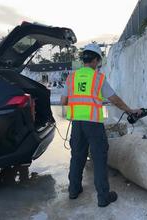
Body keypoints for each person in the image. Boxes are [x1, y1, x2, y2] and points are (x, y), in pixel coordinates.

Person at [61, 43, 142, 207]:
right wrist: (129, 110)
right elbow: (114, 99)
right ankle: (103, 197)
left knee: (77, 156)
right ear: (96, 60)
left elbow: (63, 100)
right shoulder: (98, 78)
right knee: (99, 158)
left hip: (77, 124)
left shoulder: (72, 77)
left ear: (84, 59)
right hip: (93, 125)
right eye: (99, 61)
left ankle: (73, 190)